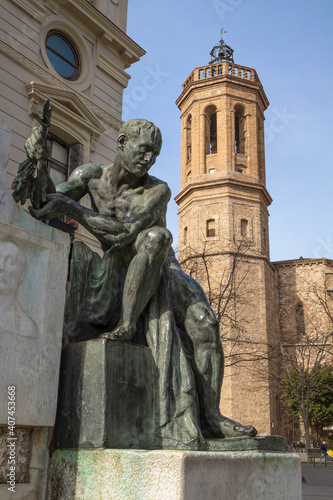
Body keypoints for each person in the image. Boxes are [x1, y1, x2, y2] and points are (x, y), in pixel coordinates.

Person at [24, 118, 256, 445]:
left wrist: (68, 207)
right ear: (121, 143)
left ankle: (212, 416)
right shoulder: (89, 176)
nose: (149, 159)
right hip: (119, 267)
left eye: (155, 154)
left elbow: (123, 233)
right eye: (144, 150)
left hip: (162, 267)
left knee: (206, 324)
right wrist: (36, 166)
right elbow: (44, 202)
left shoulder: (157, 190)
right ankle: (127, 325)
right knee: (155, 239)